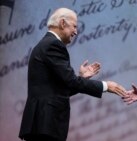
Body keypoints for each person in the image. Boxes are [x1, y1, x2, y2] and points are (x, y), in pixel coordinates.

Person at [19, 8, 127, 141]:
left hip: (42, 125)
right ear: (63, 23)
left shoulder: (45, 44)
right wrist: (105, 86)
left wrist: (80, 78)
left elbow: (60, 90)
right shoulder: (53, 45)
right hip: (45, 124)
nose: (76, 32)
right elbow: (71, 82)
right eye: (74, 26)